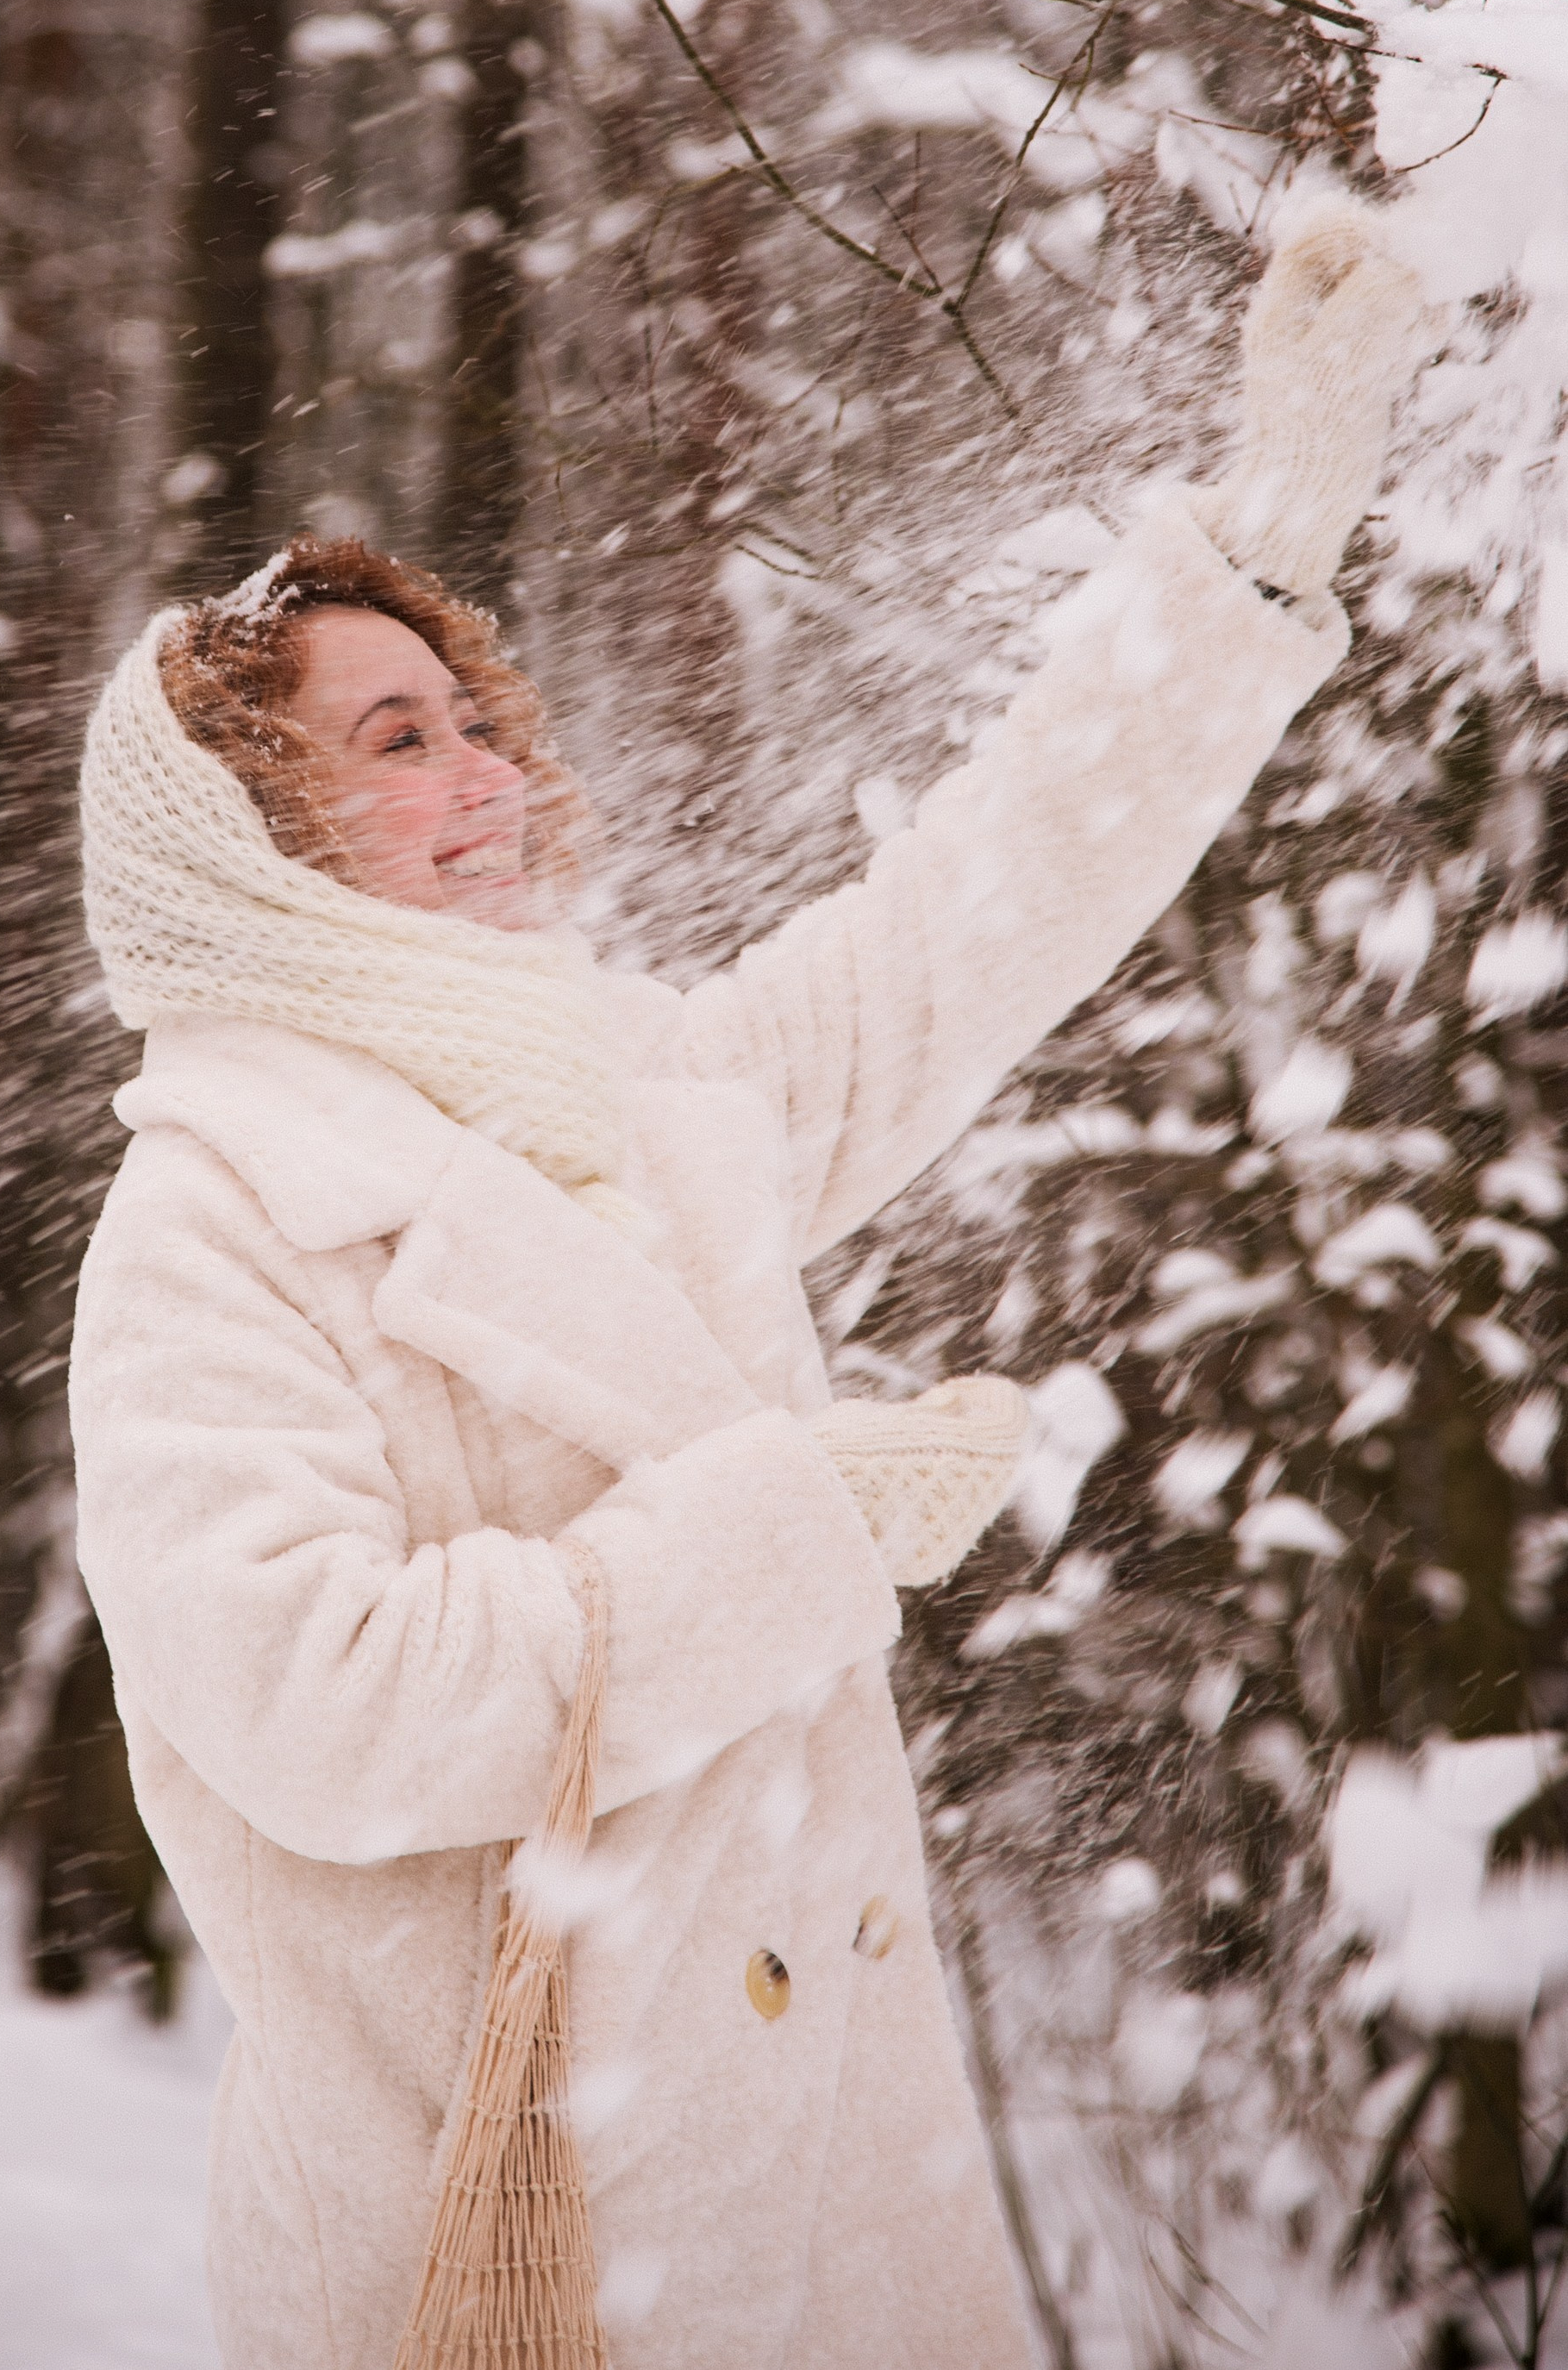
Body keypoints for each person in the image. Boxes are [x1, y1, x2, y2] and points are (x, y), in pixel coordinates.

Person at [69, 199, 1424, 2370]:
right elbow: (327, 1708)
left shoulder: (636, 1093)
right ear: (246, 843)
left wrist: (1261, 541)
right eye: (391, 743)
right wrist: (787, 1523)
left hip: (800, 2193)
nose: (486, 772)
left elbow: (968, 911)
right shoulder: (218, 1220)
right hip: (512, 2230)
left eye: (466, 717)